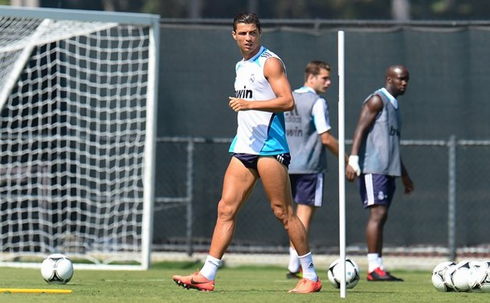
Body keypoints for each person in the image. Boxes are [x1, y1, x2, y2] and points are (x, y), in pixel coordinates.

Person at [171, 12, 322, 294]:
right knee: (225, 209)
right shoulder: (241, 66)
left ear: (259, 33)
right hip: (244, 146)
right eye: (242, 33)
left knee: (283, 212)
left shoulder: (270, 62)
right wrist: (247, 108)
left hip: (269, 147)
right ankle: (208, 274)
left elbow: (288, 101)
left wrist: (249, 105)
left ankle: (311, 276)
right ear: (234, 35)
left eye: (252, 32)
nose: (248, 38)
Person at [345, 65, 415, 282]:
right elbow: (360, 129)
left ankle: (378, 266)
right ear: (389, 79)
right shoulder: (377, 100)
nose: (404, 83)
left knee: (382, 216)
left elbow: (391, 145)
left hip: (388, 170)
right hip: (373, 168)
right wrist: (353, 160)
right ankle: (374, 268)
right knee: (377, 214)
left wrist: (404, 175)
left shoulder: (394, 106)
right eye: (400, 79)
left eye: (406, 80)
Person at [284, 60, 347, 279]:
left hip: (286, 164)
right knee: (303, 216)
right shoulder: (317, 102)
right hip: (310, 166)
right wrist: (347, 159)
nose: (328, 82)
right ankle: (297, 265)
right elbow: (326, 138)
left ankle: (294, 264)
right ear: (311, 77)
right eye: (324, 78)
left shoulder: (288, 97)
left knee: (290, 215)